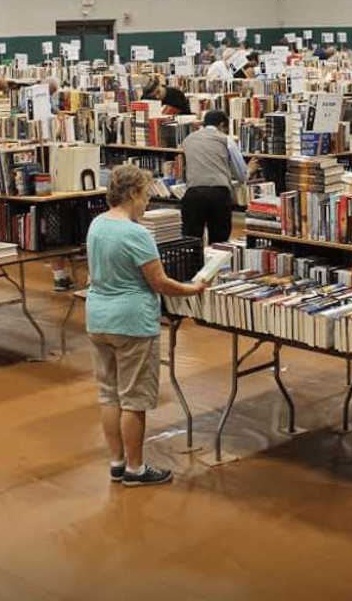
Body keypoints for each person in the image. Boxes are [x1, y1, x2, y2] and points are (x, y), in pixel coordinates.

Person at [86, 164, 208, 487]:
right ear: (132, 194)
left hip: (97, 317)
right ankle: (136, 470)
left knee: (109, 394)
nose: (148, 203)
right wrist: (193, 289)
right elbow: (160, 282)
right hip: (131, 322)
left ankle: (117, 463)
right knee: (134, 398)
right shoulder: (137, 234)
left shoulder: (96, 225)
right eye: (145, 195)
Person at [181, 110, 259, 243]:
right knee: (219, 242)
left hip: (192, 194)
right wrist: (250, 170)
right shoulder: (226, 140)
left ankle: (195, 264)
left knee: (191, 240)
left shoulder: (188, 140)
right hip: (218, 194)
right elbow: (241, 176)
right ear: (222, 125)